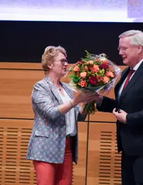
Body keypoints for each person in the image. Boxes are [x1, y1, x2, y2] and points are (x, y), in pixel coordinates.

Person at [96, 30, 143, 185]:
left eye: (124, 48)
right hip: (131, 146)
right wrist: (99, 100)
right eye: (119, 48)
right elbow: (123, 105)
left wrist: (129, 118)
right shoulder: (127, 73)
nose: (120, 52)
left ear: (139, 48)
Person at [27, 45, 98, 185]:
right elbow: (52, 113)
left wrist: (89, 100)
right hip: (46, 148)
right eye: (62, 61)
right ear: (50, 64)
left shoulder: (67, 88)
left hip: (67, 147)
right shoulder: (41, 87)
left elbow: (78, 115)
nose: (66, 64)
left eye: (66, 61)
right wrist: (75, 101)